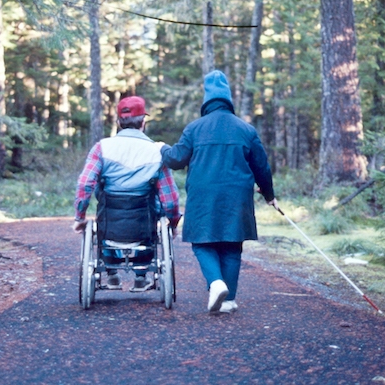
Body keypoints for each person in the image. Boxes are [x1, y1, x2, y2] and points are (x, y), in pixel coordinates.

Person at [160, 70, 278, 314]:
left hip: (203, 197)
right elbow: (262, 166)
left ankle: (215, 283)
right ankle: (228, 300)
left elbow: (176, 159)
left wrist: (162, 150)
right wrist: (269, 195)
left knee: (203, 243)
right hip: (238, 198)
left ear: (206, 99)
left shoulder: (195, 128)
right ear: (228, 98)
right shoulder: (246, 129)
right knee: (232, 245)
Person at [73, 96, 181, 292]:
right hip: (143, 219)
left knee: (105, 196)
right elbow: (170, 199)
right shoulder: (156, 152)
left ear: (118, 122)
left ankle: (112, 274)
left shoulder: (101, 148)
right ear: (143, 122)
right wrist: (173, 222)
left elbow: (84, 184)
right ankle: (141, 276)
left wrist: (79, 216)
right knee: (152, 199)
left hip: (110, 217)